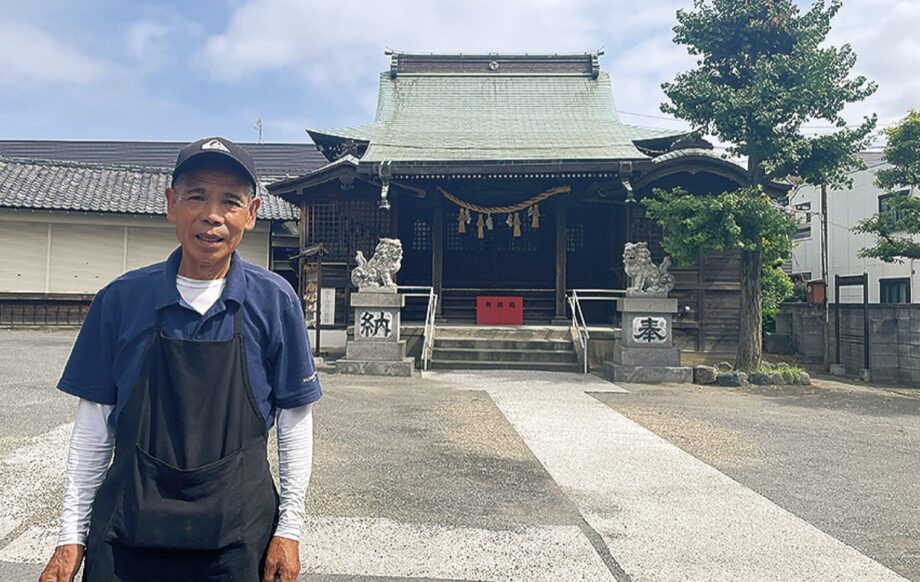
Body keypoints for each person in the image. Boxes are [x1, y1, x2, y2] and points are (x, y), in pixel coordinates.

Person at [39, 137, 322, 582]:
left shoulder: (274, 302)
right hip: (127, 536)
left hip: (237, 540)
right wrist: (70, 534)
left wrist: (289, 529)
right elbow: (92, 425)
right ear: (172, 204)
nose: (212, 215)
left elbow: (294, 420)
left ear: (251, 214)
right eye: (196, 196)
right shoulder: (121, 300)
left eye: (230, 201)